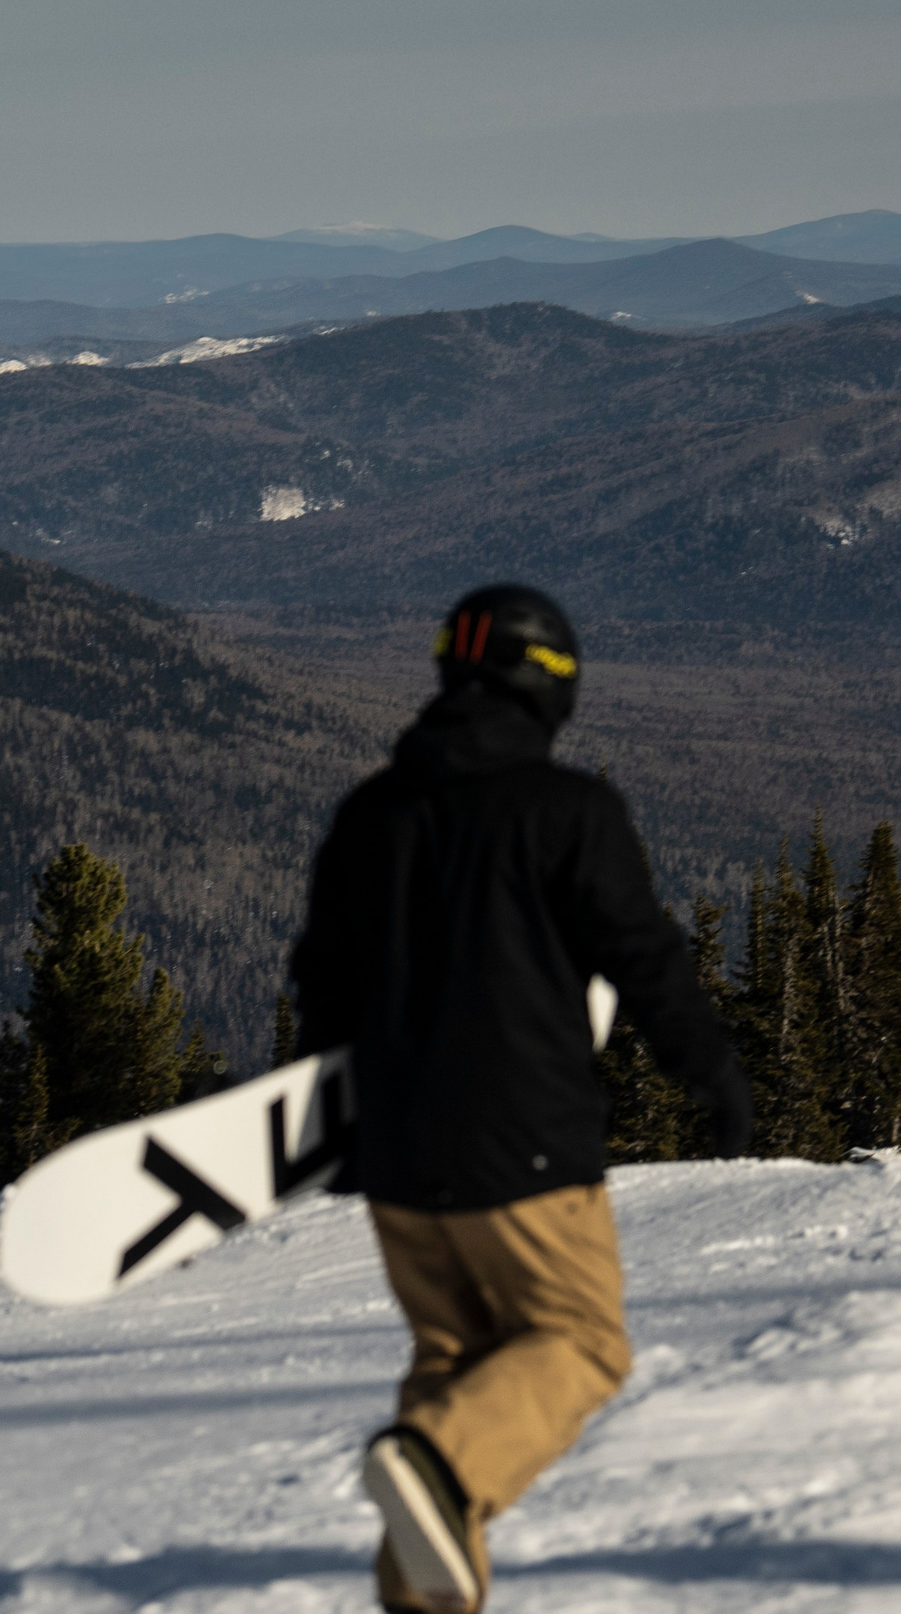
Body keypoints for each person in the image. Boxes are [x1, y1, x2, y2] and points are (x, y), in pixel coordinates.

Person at [290, 584, 754, 1614]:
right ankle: (443, 1468)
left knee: (455, 1363)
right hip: (526, 1150)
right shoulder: (565, 813)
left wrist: (337, 1135)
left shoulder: (372, 814)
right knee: (578, 1345)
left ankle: (425, 1593)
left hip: (401, 1163)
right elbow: (642, 958)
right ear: (549, 684)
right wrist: (713, 1075)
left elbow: (323, 983)